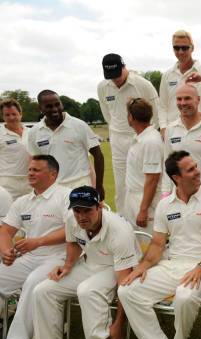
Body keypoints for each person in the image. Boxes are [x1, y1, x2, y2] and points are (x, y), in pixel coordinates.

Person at [118, 150, 201, 339]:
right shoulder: (166, 205)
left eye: (196, 166)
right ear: (177, 177)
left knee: (184, 297)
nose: (198, 172)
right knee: (127, 290)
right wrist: (142, 266)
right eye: (191, 169)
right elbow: (157, 244)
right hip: (172, 264)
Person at [32, 186, 141, 339]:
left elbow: (125, 285)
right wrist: (66, 266)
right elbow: (73, 242)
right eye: (77, 211)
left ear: (99, 207)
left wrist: (118, 325)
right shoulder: (71, 219)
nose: (81, 216)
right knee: (43, 290)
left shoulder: (120, 231)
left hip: (118, 269)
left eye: (87, 210)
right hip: (89, 264)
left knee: (87, 290)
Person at [0, 155, 69, 339]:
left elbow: (73, 231)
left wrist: (39, 241)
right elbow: (6, 231)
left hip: (59, 257)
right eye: (30, 169)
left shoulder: (65, 196)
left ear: (53, 174)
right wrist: (5, 251)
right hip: (29, 256)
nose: (30, 173)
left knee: (32, 283)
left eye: (36, 170)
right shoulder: (23, 201)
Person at [97, 53, 160, 215]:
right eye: (111, 76)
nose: (115, 80)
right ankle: (124, 222)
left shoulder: (142, 84)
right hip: (118, 140)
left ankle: (151, 219)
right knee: (121, 186)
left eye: (117, 74)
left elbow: (158, 113)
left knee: (146, 181)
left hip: (142, 138)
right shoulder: (103, 87)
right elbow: (108, 115)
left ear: (124, 67)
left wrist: (148, 135)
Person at [26, 90, 105, 199]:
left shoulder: (79, 125)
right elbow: (36, 163)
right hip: (51, 188)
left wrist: (99, 186)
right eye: (49, 106)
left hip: (80, 185)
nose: (54, 109)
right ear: (40, 109)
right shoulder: (34, 132)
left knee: (81, 217)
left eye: (57, 104)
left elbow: (98, 155)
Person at [159, 30, 201, 137]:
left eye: (185, 48)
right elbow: (162, 105)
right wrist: (163, 128)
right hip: (173, 134)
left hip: (200, 132)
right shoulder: (167, 75)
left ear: (192, 48)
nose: (180, 52)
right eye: (176, 48)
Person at [125, 98, 164, 234]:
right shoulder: (141, 138)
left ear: (132, 117)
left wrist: (143, 210)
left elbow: (152, 179)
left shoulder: (150, 141)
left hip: (145, 203)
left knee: (149, 245)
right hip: (134, 199)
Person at [0, 99, 30, 199]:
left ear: (20, 114)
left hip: (30, 184)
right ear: (3, 116)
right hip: (6, 186)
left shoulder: (31, 132)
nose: (11, 117)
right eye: (7, 115)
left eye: (14, 114)